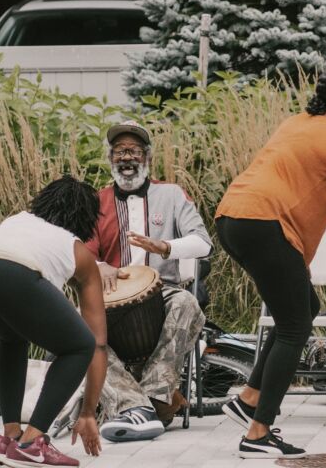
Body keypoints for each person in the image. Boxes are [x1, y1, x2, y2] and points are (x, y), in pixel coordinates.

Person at [215, 64, 326, 459]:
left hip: (232, 217)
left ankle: (250, 398)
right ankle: (258, 432)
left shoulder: (297, 122)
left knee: (305, 306)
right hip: (265, 223)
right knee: (294, 326)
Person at [0, 176, 108, 468]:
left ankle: (9, 437)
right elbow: (97, 343)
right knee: (79, 344)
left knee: (10, 334)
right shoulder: (76, 250)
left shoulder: (18, 221)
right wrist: (87, 412)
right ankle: (32, 443)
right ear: (87, 219)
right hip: (8, 268)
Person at [85, 121, 210, 442]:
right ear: (110, 157)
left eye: (135, 151)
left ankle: (152, 396)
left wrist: (166, 246)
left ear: (147, 157)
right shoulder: (95, 202)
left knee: (187, 302)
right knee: (76, 325)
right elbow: (81, 253)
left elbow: (203, 242)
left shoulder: (170, 194)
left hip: (162, 292)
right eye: (120, 151)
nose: (127, 158)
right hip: (110, 295)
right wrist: (99, 266)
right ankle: (138, 405)